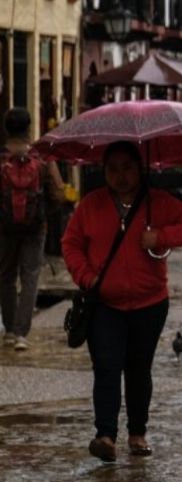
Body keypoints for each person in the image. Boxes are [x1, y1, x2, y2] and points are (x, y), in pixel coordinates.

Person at [61, 141, 182, 463]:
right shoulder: (91, 205)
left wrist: (161, 237)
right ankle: (105, 435)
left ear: (139, 168)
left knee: (139, 369)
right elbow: (71, 244)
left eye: (127, 167)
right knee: (106, 367)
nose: (121, 176)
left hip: (150, 302)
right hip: (105, 304)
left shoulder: (157, 203)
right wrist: (87, 278)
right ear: (103, 171)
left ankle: (137, 432)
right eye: (112, 169)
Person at [0, 108, 65, 351]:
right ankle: (21, 334)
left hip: (5, 227)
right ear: (29, 128)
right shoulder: (42, 157)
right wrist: (43, 212)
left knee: (6, 277)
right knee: (30, 278)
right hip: (36, 228)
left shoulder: (2, 157)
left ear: (7, 128)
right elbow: (58, 193)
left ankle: (8, 328)